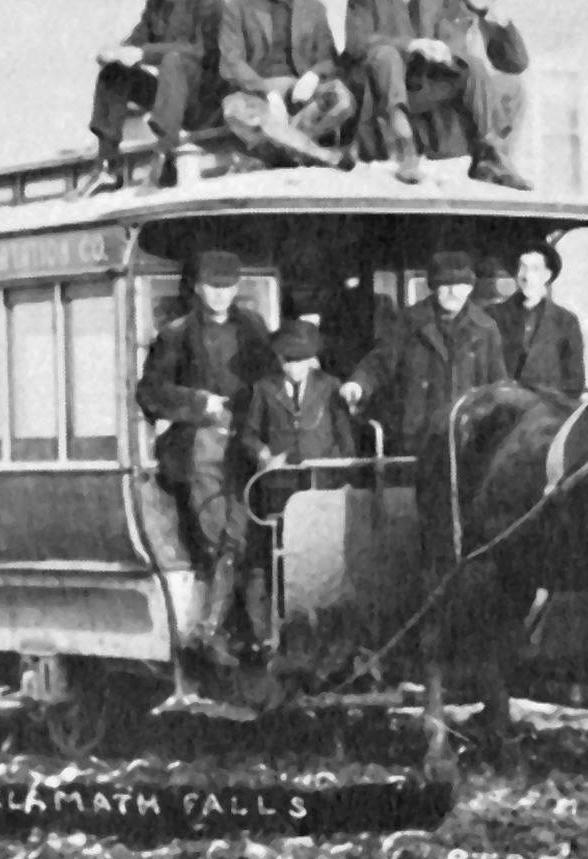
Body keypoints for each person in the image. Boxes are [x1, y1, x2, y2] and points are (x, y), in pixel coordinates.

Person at [135, 251, 278, 665]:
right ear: (199, 288)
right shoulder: (176, 335)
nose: (220, 295)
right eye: (213, 287)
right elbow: (150, 392)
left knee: (246, 537)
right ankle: (215, 633)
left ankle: (241, 632)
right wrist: (199, 403)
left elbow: (268, 379)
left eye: (228, 288)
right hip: (197, 448)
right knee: (218, 538)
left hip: (245, 447)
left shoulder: (252, 328)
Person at [342, 0, 531, 189]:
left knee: (471, 64)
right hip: (375, 90)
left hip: (418, 89)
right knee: (385, 55)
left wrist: (445, 51)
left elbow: (451, 38)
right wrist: (412, 44)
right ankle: (403, 146)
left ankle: (489, 156)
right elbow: (356, 42)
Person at [238, 319, 356, 652]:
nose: (294, 367)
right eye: (288, 360)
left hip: (322, 489)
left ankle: (323, 633)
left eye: (301, 360)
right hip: (279, 487)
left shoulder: (330, 386)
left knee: (323, 557)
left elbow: (345, 439)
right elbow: (248, 434)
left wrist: (338, 473)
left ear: (313, 360)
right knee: (276, 556)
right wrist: (264, 455)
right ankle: (270, 633)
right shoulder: (264, 389)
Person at [77, 0, 227, 197]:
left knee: (174, 61)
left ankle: (164, 156)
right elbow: (135, 41)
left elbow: (204, 50)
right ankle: (108, 165)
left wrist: (144, 53)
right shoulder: (156, 4)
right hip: (172, 97)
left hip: (206, 100)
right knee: (115, 72)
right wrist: (112, 53)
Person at [340, 250, 507, 458]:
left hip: (467, 440)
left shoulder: (486, 329)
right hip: (417, 438)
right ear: (433, 287)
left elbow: (498, 386)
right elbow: (380, 363)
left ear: (470, 288)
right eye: (445, 285)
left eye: (460, 285)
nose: (453, 292)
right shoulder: (408, 322)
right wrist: (358, 384)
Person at [219, 0, 357, 169]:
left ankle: (286, 148)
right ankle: (323, 156)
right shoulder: (237, 7)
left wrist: (312, 76)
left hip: (299, 92)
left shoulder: (314, 8)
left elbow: (328, 58)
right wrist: (268, 92)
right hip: (255, 93)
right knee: (233, 110)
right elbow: (231, 62)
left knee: (342, 97)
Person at [434, 0, 530, 153]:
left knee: (514, 85)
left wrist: (503, 27)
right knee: (481, 82)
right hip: (449, 81)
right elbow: (451, 52)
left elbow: (516, 64)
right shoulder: (444, 8)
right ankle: (489, 151)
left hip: (481, 88)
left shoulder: (491, 19)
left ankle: (502, 156)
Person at [491, 240, 586, 397]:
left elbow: (575, 382)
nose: (527, 276)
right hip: (502, 409)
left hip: (548, 414)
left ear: (547, 275)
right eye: (522, 268)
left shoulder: (566, 321)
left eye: (534, 269)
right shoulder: (493, 315)